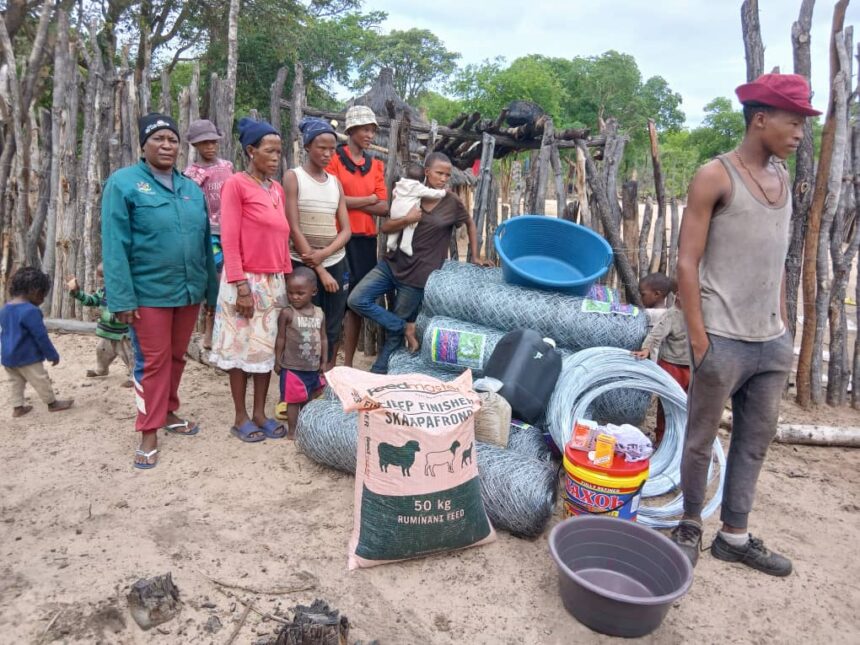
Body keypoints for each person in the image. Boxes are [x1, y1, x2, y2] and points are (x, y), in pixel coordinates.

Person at [673, 73, 819, 576]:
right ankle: (689, 524)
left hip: (770, 342)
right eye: (793, 121)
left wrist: (785, 329)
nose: (800, 132)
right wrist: (700, 338)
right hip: (722, 338)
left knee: (755, 441)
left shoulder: (783, 180)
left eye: (803, 123)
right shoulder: (715, 176)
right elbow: (687, 263)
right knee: (700, 438)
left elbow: (777, 259)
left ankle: (733, 535)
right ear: (760, 119)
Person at [102, 112, 218, 469]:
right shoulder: (124, 184)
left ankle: (168, 412)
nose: (167, 146)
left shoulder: (189, 189)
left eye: (172, 140)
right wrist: (122, 298)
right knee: (152, 361)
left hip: (187, 291)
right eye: (158, 139)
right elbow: (114, 245)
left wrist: (211, 294)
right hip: (147, 292)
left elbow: (204, 242)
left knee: (177, 357)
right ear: (143, 144)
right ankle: (148, 430)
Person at [347, 152, 488, 373]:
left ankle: (379, 370)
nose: (443, 179)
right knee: (356, 299)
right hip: (392, 264)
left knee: (393, 334)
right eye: (439, 173)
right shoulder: (410, 193)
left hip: (419, 276)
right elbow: (385, 228)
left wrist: (475, 255)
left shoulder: (451, 202)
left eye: (447, 175)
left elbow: (469, 223)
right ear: (427, 172)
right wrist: (407, 219)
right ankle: (404, 327)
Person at [209, 117, 291, 443]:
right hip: (243, 280)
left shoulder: (277, 189)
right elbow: (229, 239)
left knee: (263, 350)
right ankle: (240, 416)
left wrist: (283, 278)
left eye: (279, 152)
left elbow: (280, 238)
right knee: (240, 349)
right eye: (269, 151)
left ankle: (260, 413)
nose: (276, 157)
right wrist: (241, 287)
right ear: (250, 151)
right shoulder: (236, 184)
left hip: (272, 282)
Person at [283, 117, 351, 371]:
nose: (327, 153)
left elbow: (346, 230)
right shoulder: (294, 177)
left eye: (332, 149)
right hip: (302, 263)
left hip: (334, 260)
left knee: (332, 323)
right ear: (308, 146)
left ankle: (326, 377)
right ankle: (296, 380)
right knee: (301, 323)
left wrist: (324, 254)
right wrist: (318, 267)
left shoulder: (335, 183)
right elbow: (294, 226)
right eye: (321, 147)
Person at [326, 105, 388, 367]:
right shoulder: (334, 160)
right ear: (350, 130)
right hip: (338, 238)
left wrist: (348, 201)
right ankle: (328, 363)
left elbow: (384, 206)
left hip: (364, 241)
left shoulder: (376, 165)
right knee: (335, 302)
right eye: (365, 129)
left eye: (372, 130)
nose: (370, 134)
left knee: (356, 304)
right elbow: (331, 197)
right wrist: (368, 199)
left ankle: (347, 364)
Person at [183, 119, 235, 349]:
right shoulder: (191, 173)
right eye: (204, 143)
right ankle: (209, 326)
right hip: (208, 232)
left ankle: (228, 329)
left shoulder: (227, 166)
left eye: (213, 142)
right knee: (214, 279)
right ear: (195, 145)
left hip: (231, 229)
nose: (210, 147)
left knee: (231, 277)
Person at [0, 267, 74, 417]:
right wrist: (52, 354)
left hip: (8, 356)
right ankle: (52, 403)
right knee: (41, 379)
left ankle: (17, 407)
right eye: (42, 295)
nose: (43, 299)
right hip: (27, 357)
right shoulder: (30, 311)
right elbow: (41, 336)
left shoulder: (5, 309)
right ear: (34, 290)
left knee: (16, 382)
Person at [274, 267, 327, 438]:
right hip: (292, 366)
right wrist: (277, 360)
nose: (294, 297)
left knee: (308, 398)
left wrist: (324, 361)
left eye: (300, 293)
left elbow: (323, 338)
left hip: (312, 366)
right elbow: (281, 338)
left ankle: (304, 429)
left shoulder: (319, 313)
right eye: (290, 293)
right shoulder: (287, 313)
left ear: (313, 291)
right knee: (293, 400)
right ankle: (292, 431)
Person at [631, 287, 689, 444]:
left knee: (687, 404)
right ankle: (662, 438)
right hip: (672, 366)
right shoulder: (672, 314)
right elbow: (656, 333)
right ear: (677, 295)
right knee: (667, 405)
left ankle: (682, 438)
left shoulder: (701, 314)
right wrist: (646, 349)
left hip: (692, 367)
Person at [66, 263, 133, 388]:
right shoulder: (103, 292)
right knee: (101, 351)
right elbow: (91, 301)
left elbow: (125, 315)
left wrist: (106, 316)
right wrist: (77, 293)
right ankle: (102, 370)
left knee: (129, 356)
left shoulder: (123, 293)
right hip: (108, 333)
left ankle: (134, 377)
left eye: (103, 276)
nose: (100, 279)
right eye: (100, 276)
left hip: (122, 335)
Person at [385, 163, 447, 256]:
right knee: (410, 225)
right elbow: (431, 193)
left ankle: (391, 242)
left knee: (396, 227)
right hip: (408, 212)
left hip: (394, 211)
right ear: (422, 179)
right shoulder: (417, 187)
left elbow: (394, 193)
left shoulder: (400, 183)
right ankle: (405, 244)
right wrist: (443, 192)